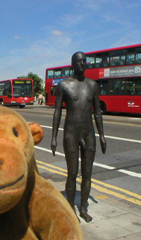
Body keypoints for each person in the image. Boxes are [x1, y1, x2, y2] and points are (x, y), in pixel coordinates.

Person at [51, 51, 106, 223]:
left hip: (88, 133)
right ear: (72, 64)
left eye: (84, 61)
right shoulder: (64, 85)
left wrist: (102, 135)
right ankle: (70, 209)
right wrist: (53, 136)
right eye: (78, 62)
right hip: (71, 133)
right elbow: (58, 111)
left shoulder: (93, 85)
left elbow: (97, 112)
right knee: (72, 173)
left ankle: (83, 208)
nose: (82, 64)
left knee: (87, 174)